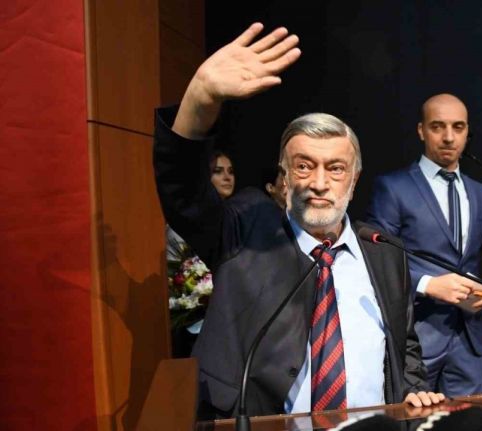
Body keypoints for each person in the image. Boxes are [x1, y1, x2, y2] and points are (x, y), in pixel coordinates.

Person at [153, 23, 444, 418]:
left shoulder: (384, 251)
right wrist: (200, 97)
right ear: (285, 177)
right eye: (304, 166)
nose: (319, 183)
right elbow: (183, 193)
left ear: (354, 180)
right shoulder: (245, 234)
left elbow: (403, 345)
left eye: (335, 168)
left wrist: (413, 390)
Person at [365, 93, 482, 396]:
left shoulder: (479, 193)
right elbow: (377, 258)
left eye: (458, 127)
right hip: (416, 336)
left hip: (469, 340)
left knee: (473, 418)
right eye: (438, 127)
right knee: (414, 418)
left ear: (467, 131)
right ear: (421, 130)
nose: (449, 137)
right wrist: (427, 284)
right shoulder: (393, 187)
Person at [166, 150, 234, 357]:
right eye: (218, 171)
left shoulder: (240, 219)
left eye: (230, 171)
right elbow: (174, 276)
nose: (227, 177)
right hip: (196, 328)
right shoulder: (185, 222)